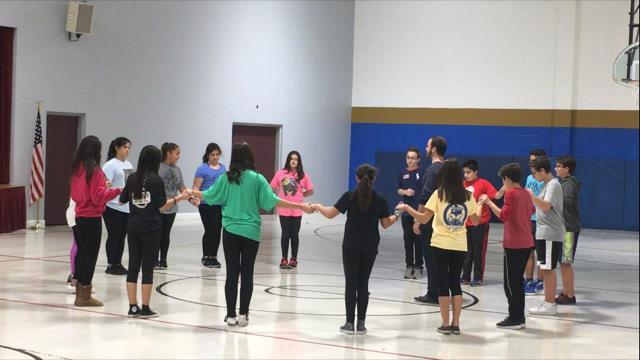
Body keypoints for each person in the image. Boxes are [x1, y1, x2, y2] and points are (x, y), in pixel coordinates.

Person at [189, 143, 313, 327]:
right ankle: (243, 315)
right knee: (247, 274)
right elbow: (273, 200)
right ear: (250, 158)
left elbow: (210, 194)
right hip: (251, 233)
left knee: (232, 273)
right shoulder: (257, 179)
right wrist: (300, 206)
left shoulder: (226, 178)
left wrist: (191, 193)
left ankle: (230, 315)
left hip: (230, 231)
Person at [312, 164, 400, 335]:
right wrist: (397, 215)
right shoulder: (380, 199)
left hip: (351, 245)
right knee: (363, 283)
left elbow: (330, 214)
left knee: (351, 284)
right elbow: (385, 224)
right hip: (370, 246)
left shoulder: (350, 196)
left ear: (357, 178)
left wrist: (317, 206)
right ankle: (361, 324)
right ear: (374, 180)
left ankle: (349, 323)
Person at [399, 159, 482, 335]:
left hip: (440, 244)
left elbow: (423, 219)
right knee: (456, 284)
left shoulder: (439, 194)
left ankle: (445, 324)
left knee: (443, 284)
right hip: (460, 244)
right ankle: (456, 323)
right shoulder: (468, 195)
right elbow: (475, 221)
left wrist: (407, 207)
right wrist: (480, 205)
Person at [120, 145, 191, 318]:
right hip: (151, 228)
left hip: (133, 227)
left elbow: (122, 200)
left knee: (133, 266)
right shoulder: (155, 180)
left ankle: (132, 307)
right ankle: (145, 307)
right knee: (147, 268)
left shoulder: (132, 178)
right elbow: (161, 205)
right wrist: (179, 198)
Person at [480, 163, 535, 329]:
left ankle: (515, 318)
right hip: (527, 242)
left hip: (514, 244)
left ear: (507, 179)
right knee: (518, 281)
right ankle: (518, 315)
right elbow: (531, 210)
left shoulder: (510, 194)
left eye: (503, 180)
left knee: (510, 283)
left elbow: (503, 216)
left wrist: (489, 202)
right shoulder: (526, 192)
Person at [70, 135, 122, 307]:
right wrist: (116, 191)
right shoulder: (95, 171)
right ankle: (85, 295)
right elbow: (98, 197)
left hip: (78, 215)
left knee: (82, 253)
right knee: (90, 255)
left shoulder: (77, 169)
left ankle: (79, 292)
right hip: (91, 217)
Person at [527, 156, 565, 316]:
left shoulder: (553, 185)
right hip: (543, 232)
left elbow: (546, 206)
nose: (534, 177)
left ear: (543, 171)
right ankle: (548, 301)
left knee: (548, 269)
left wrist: (531, 196)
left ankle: (550, 304)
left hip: (550, 232)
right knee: (545, 267)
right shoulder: (546, 185)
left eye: (535, 173)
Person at [414, 136, 447, 305]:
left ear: (434, 149)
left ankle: (433, 292)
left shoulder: (432, 171)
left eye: (427, 146)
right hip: (445, 220)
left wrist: (418, 220)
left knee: (430, 256)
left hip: (431, 219)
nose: (425, 149)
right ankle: (442, 291)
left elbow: (425, 197)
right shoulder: (449, 169)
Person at [270, 150, 314, 269]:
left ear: (298, 162)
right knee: (285, 234)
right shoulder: (281, 173)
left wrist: (300, 196)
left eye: (296, 159)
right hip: (284, 209)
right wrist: (275, 198)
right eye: (291, 158)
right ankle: (284, 258)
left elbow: (311, 190)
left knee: (294, 234)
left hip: (297, 210)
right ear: (288, 160)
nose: (293, 161)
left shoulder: (302, 175)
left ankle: (294, 258)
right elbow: (271, 187)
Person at [461, 159, 498, 287]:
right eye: (464, 172)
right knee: (466, 251)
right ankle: (465, 276)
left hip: (480, 223)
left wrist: (503, 189)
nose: (466, 175)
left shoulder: (484, 184)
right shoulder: (462, 184)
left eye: (469, 172)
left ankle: (478, 277)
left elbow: (495, 195)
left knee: (478, 251)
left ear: (476, 172)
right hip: (466, 223)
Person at [102, 137, 133, 276]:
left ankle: (118, 262)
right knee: (114, 234)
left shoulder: (129, 164)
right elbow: (105, 185)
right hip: (112, 205)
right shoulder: (110, 165)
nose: (127, 150)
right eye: (125, 147)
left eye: (129, 147)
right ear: (117, 148)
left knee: (122, 235)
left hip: (125, 206)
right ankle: (111, 263)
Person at [192, 143, 226, 268]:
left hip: (219, 204)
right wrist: (195, 198)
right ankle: (206, 256)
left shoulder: (223, 169)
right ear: (208, 155)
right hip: (206, 204)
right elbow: (196, 186)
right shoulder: (202, 169)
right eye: (213, 155)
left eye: (217, 154)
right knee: (210, 230)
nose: (215, 157)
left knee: (218, 230)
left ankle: (214, 256)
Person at [156, 142, 187, 270]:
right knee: (156, 234)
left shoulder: (177, 169)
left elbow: (181, 187)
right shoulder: (158, 167)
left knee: (165, 234)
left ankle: (163, 259)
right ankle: (153, 259)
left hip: (172, 207)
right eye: (177, 153)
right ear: (168, 153)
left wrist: (190, 197)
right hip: (159, 207)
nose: (179, 156)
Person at [554, 155, 581, 305]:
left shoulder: (569, 184)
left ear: (567, 169)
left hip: (569, 228)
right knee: (563, 261)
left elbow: (568, 201)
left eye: (559, 166)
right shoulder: (563, 183)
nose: (556, 169)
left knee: (565, 262)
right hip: (564, 227)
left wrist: (553, 199)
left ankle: (569, 295)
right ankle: (566, 291)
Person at [397, 146, 424, 279]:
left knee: (418, 241)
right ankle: (409, 266)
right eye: (408, 157)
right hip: (406, 212)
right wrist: (404, 192)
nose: (410, 160)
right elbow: (398, 190)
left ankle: (419, 267)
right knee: (407, 241)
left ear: (418, 159)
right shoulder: (402, 173)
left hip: (418, 212)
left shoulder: (422, 173)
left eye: (413, 158)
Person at [524, 149, 546, 295]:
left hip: (541, 220)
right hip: (529, 220)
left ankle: (541, 281)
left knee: (541, 254)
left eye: (534, 160)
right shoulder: (529, 178)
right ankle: (528, 280)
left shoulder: (547, 180)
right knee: (528, 252)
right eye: (530, 160)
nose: (531, 163)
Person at [65, 198, 79, 292]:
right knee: (78, 244)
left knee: (76, 243)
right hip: (77, 213)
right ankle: (75, 275)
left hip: (75, 212)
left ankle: (74, 274)